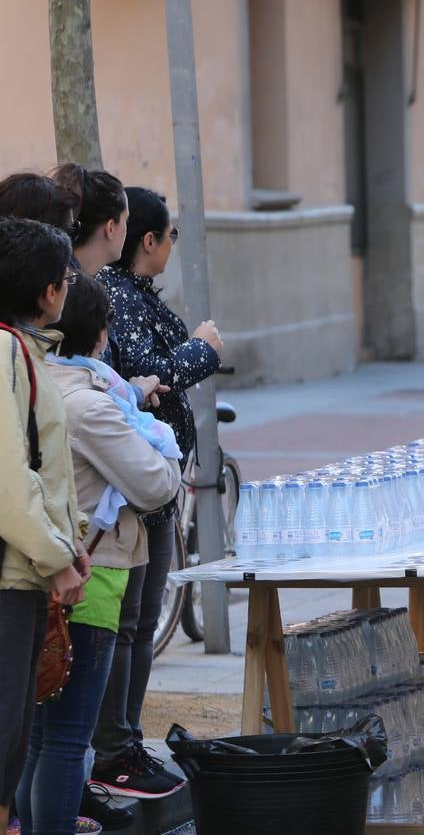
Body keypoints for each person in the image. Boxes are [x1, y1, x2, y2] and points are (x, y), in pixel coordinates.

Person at [18, 274, 181, 835]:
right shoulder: (92, 404)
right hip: (93, 575)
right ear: (99, 334)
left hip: (42, 573)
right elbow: (156, 483)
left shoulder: (36, 382)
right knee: (66, 738)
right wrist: (165, 449)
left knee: (39, 736)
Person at [92, 188, 222, 800]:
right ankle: (113, 746)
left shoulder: (129, 294)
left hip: (153, 483)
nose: (173, 247)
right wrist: (203, 349)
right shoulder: (118, 297)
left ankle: (123, 740)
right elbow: (150, 378)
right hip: (137, 487)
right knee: (131, 623)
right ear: (146, 239)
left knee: (140, 624)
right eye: (170, 236)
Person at [0, 219, 89, 833]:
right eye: (64, 279)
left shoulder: (21, 350)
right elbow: (10, 478)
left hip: (24, 574)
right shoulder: (5, 350)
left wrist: (69, 543)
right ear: (46, 292)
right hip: (11, 578)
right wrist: (56, 558)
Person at [52, 164, 128, 275]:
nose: (126, 228)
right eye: (125, 220)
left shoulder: (58, 272)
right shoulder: (68, 285)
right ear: (110, 228)